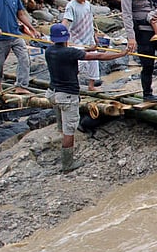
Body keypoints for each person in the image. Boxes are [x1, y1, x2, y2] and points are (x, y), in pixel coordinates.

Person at [44, 23, 131, 172]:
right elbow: (98, 56)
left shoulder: (49, 50)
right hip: (67, 95)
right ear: (66, 37)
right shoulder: (69, 52)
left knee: (59, 112)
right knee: (69, 130)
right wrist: (121, 54)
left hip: (52, 92)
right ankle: (67, 163)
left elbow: (73, 53)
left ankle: (60, 129)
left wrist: (86, 49)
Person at [0, 0, 37, 94]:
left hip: (15, 34)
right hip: (0, 38)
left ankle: (21, 85)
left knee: (24, 58)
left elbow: (20, 14)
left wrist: (32, 28)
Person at [62, 0, 102, 91]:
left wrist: (94, 35)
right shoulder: (71, 6)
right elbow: (66, 21)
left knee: (94, 59)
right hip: (76, 38)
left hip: (88, 36)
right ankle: (71, 83)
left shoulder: (88, 5)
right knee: (79, 62)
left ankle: (91, 85)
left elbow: (90, 21)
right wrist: (61, 34)